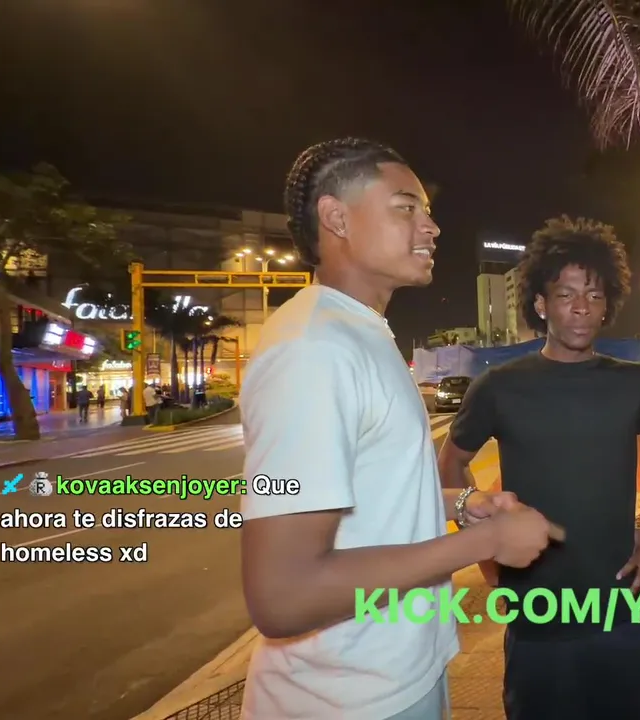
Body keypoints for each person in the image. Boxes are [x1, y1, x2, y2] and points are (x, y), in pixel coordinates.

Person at [238, 138, 555, 720]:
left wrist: (463, 504)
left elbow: (365, 494)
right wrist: (485, 544)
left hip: (395, 679)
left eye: (427, 211)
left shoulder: (360, 333)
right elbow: (283, 595)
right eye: (406, 207)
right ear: (336, 218)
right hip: (345, 702)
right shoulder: (314, 350)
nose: (431, 227)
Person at [437, 218, 640, 720]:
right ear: (540, 304)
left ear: (607, 305)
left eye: (594, 296)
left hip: (627, 607)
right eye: (566, 294)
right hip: (539, 617)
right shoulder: (499, 388)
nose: (580, 307)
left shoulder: (634, 383)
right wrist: (487, 546)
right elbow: (452, 465)